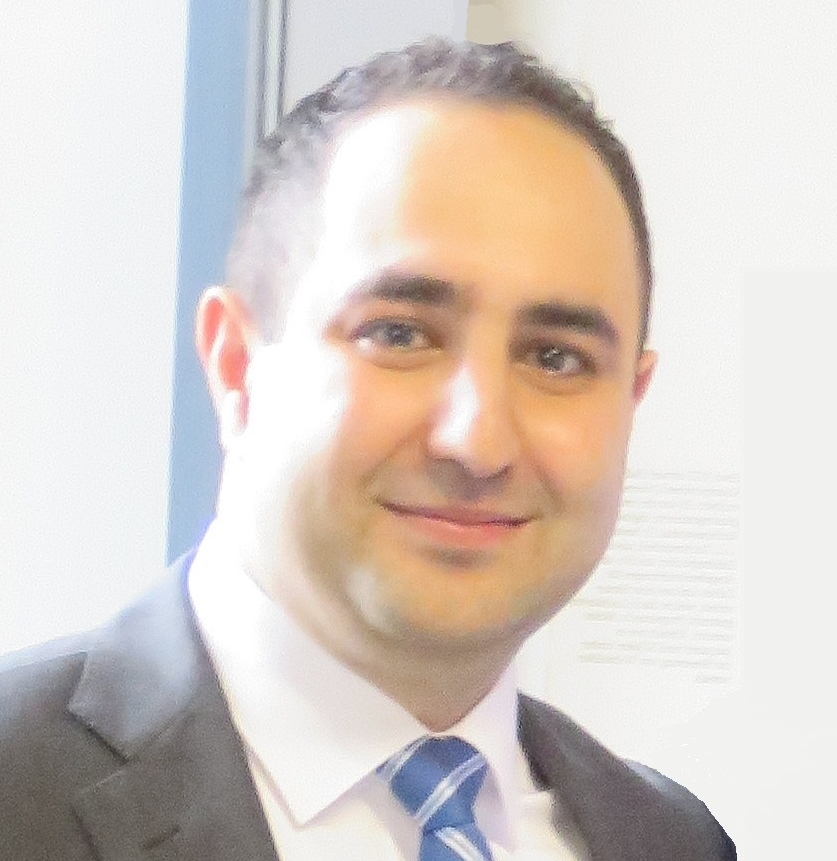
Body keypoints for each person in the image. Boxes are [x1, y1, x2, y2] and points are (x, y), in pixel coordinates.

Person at [0, 38, 735, 860]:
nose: (477, 441)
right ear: (236, 366)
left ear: (630, 400)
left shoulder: (669, 839)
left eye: (555, 357)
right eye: (399, 334)